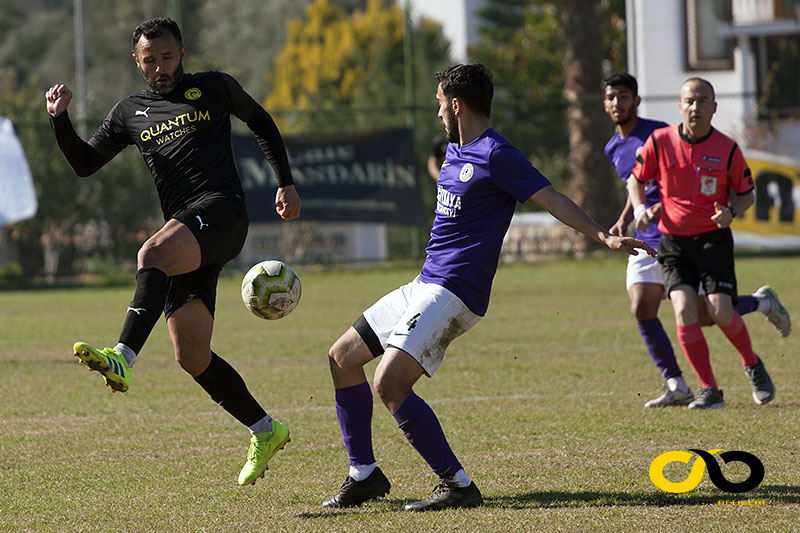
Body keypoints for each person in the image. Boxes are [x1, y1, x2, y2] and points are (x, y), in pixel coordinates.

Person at [322, 63, 656, 512]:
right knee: (342, 357)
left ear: (456, 104)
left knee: (390, 382)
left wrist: (603, 235)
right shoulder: (455, 151)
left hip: (454, 292)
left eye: (440, 103)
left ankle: (457, 485)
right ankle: (363, 475)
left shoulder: (498, 155)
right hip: (423, 282)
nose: (438, 112)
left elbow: (551, 198)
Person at [45, 17, 300, 485]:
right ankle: (266, 429)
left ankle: (123, 355)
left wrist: (285, 182)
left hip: (223, 212)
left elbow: (261, 121)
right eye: (150, 60)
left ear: (182, 53)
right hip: (188, 229)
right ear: (137, 61)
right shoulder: (129, 112)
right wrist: (59, 120)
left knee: (151, 254)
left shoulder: (215, 88)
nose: (159, 67)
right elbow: (84, 164)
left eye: (167, 57)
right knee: (191, 354)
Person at [603, 72, 790, 408]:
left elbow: (747, 194)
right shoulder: (661, 141)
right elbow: (636, 180)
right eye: (689, 101)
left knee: (718, 312)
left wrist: (731, 211)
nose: (695, 107)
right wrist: (640, 208)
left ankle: (752, 363)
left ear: (714, 107)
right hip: (672, 242)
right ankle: (709, 390)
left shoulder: (727, 149)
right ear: (680, 106)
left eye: (703, 101)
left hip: (712, 241)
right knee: (683, 311)